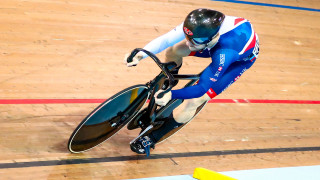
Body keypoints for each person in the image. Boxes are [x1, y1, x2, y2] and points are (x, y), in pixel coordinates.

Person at [124, 8, 259, 155]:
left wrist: (172, 95)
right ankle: (171, 79)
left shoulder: (224, 54)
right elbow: (167, 40)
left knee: (195, 101)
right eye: (187, 37)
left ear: (212, 37)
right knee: (173, 50)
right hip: (214, 42)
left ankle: (152, 138)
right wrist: (141, 54)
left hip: (238, 59)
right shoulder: (198, 27)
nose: (189, 43)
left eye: (194, 41)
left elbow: (201, 88)